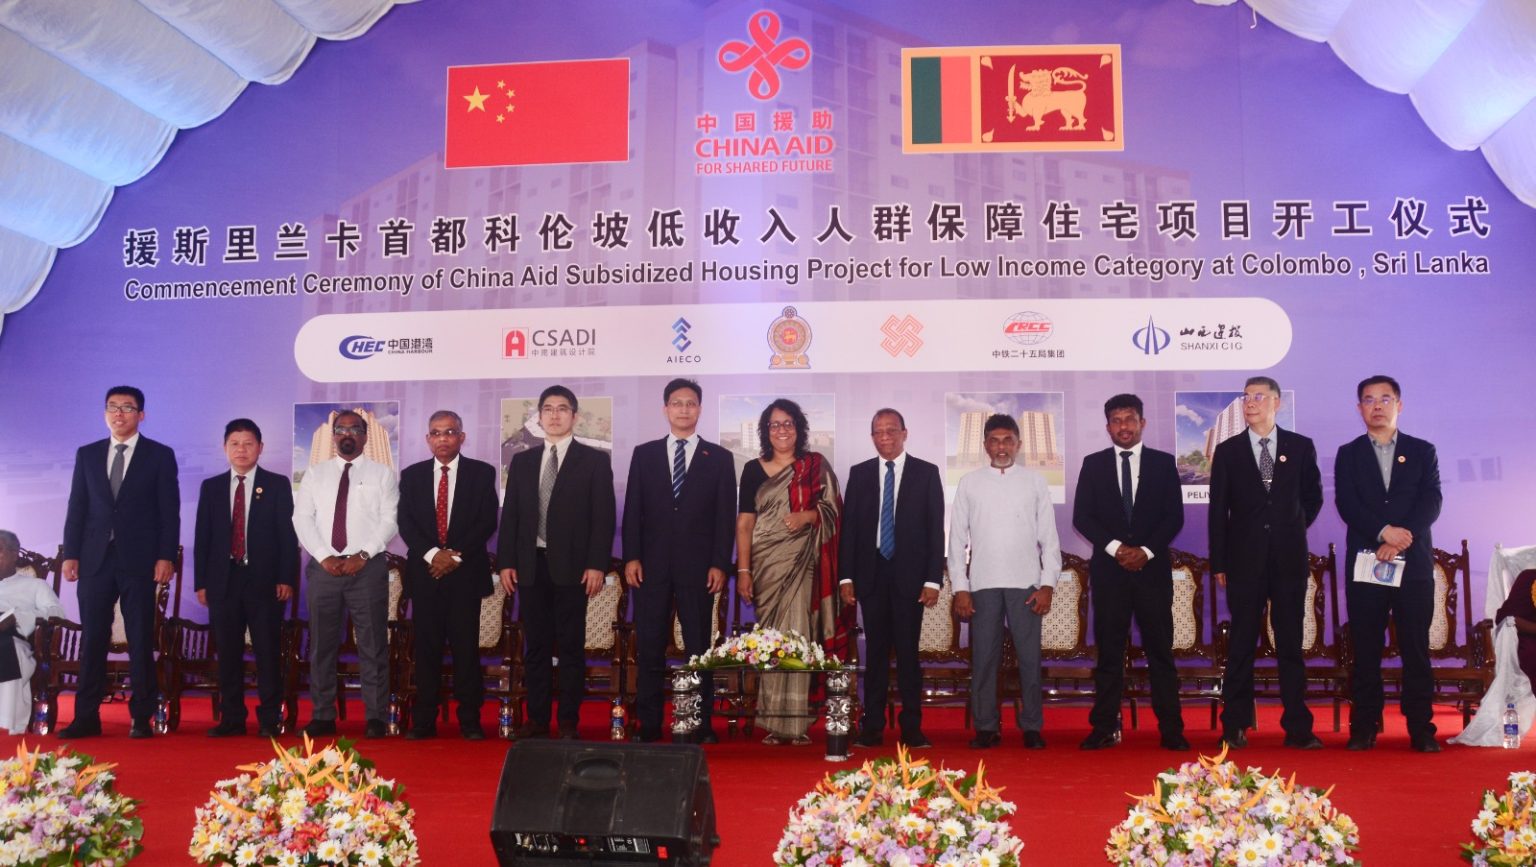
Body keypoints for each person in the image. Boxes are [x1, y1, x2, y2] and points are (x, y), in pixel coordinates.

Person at [1210, 375, 1324, 750]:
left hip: (1289, 560)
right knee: (1241, 644)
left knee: (1290, 643)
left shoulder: (1300, 447)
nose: (1250, 402)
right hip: (1243, 563)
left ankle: (1298, 727)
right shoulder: (1228, 451)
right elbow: (1218, 512)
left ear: (1277, 402)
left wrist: (1289, 527)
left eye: (1259, 396)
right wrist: (1220, 562)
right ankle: (1235, 725)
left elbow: (1313, 498)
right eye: (1246, 397)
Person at [60, 385, 179, 739]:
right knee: (93, 638)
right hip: (94, 560)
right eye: (112, 407)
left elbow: (168, 511)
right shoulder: (87, 454)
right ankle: (86, 717)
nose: (119, 413)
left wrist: (166, 555)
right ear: (105, 413)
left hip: (140, 560)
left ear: (141, 415)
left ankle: (141, 717)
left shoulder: (159, 455)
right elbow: (77, 507)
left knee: (140, 638)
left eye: (127, 407)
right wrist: (71, 554)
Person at [498, 385, 616, 740]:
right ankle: (537, 719)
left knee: (569, 647)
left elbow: (603, 518)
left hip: (574, 569)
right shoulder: (522, 461)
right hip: (530, 566)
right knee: (535, 647)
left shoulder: (594, 461)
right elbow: (511, 516)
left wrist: (597, 564)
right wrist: (506, 561)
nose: (554, 415)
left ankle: (567, 721)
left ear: (574, 416)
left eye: (562, 409)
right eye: (548, 409)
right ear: (539, 416)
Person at [622, 379, 737, 744]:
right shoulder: (645, 454)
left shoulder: (719, 458)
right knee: (650, 645)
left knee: (699, 647)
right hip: (650, 567)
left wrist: (720, 562)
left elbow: (725, 518)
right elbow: (633, 511)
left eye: (690, 403)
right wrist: (632, 557)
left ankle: (700, 723)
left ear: (699, 409)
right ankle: (650, 723)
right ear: (665, 409)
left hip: (699, 569)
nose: (683, 409)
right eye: (677, 403)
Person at [1072, 394, 1188, 751]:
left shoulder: (1163, 464)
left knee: (1160, 652)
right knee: (1109, 653)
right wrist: (1118, 549)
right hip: (1110, 572)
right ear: (1108, 426)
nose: (1124, 426)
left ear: (1142, 423)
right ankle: (1104, 727)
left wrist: (1146, 551)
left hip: (1152, 573)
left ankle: (1171, 730)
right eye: (1117, 420)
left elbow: (1174, 516)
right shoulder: (1093, 464)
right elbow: (1082, 517)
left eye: (1130, 419)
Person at [1335, 375, 1443, 753]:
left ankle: (1421, 728)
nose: (1377, 406)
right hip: (1367, 563)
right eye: (1369, 400)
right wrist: (1383, 533)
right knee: (1366, 649)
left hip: (1412, 565)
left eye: (1385, 398)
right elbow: (1347, 503)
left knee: (1415, 648)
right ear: (1359, 408)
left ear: (1399, 404)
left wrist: (1401, 537)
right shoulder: (1348, 454)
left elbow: (1431, 501)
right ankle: (1364, 726)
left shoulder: (1422, 450)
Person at [949, 413, 1061, 750]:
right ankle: (986, 726)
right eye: (995, 441)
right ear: (985, 445)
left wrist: (1047, 585)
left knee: (1029, 659)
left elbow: (1050, 539)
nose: (1001, 447)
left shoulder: (1035, 482)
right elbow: (956, 541)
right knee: (984, 659)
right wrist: (961, 588)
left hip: (1026, 584)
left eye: (1008, 440)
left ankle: (1032, 726)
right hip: (982, 584)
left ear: (1018, 444)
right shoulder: (970, 483)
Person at [736, 398, 842, 746]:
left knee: (798, 636)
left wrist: (808, 516)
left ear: (798, 428)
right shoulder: (752, 469)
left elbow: (834, 510)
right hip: (766, 565)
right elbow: (745, 523)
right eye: (775, 424)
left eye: (788, 423)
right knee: (771, 640)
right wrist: (744, 570)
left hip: (803, 562)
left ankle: (796, 723)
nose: (782, 430)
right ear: (765, 431)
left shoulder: (815, 466)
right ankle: (772, 721)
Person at [292, 409, 399, 739]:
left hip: (367, 568)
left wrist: (363, 554)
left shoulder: (383, 474)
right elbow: (302, 518)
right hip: (324, 568)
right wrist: (323, 556)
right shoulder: (315, 474)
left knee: (372, 644)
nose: (347, 434)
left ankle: (375, 717)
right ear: (333, 436)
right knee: (321, 645)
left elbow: (390, 520)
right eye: (340, 429)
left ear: (365, 436)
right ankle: (323, 715)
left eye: (354, 429)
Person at [840, 408, 943, 750]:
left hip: (910, 580)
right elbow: (850, 530)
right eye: (878, 431)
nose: (885, 437)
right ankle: (872, 727)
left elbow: (935, 530)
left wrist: (933, 580)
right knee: (876, 655)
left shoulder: (926, 473)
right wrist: (846, 577)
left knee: (909, 656)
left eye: (891, 430)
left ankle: (912, 728)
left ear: (904, 433)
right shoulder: (859, 474)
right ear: (872, 436)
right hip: (871, 576)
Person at [397, 410, 500, 740]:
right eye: (436, 433)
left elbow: (486, 521)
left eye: (450, 432)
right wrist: (433, 555)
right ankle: (424, 720)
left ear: (462, 437)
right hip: (425, 573)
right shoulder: (412, 476)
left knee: (465, 648)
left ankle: (469, 719)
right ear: (428, 439)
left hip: (465, 573)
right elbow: (406, 523)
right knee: (426, 649)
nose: (443, 438)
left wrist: (454, 555)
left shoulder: (481, 473)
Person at [193, 419, 298, 738]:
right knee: (227, 652)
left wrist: (286, 577)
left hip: (264, 581)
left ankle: (269, 718)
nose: (241, 449)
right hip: (223, 582)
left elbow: (287, 536)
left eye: (248, 443)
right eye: (235, 444)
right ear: (225, 447)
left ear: (260, 448)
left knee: (267, 652)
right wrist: (201, 582)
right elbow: (203, 537)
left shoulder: (277, 484)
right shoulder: (211, 487)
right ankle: (232, 718)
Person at [0, 531, 65, 735]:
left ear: (14, 554)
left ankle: (6, 722)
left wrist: (18, 617)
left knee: (6, 648)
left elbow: (57, 613)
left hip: (12, 637)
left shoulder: (35, 585)